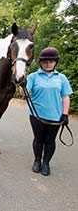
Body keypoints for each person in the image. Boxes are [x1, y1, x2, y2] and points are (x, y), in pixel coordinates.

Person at [26, 47, 72, 176]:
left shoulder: (61, 78)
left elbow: (65, 96)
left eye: (51, 61)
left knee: (50, 141)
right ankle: (37, 161)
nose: (48, 63)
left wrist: (65, 113)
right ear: (41, 62)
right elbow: (25, 94)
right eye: (45, 61)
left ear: (55, 62)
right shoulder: (33, 77)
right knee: (38, 139)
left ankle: (46, 163)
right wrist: (22, 84)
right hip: (37, 115)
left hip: (55, 115)